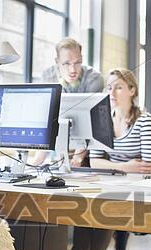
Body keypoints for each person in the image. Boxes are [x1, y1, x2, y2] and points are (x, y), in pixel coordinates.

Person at [49, 68, 151, 250]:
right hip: (109, 180)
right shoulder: (103, 119)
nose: (112, 92)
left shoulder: (144, 120)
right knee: (86, 204)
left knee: (107, 206)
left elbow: (147, 165)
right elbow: (96, 160)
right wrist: (126, 166)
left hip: (136, 186)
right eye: (109, 87)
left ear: (132, 90)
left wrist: (115, 167)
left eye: (118, 87)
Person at [34, 37, 104, 166]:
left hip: (84, 148)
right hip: (56, 145)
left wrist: (77, 158)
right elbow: (46, 118)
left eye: (77, 63)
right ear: (57, 61)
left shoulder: (94, 79)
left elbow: (90, 123)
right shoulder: (47, 77)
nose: (73, 70)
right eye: (66, 63)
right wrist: (36, 161)